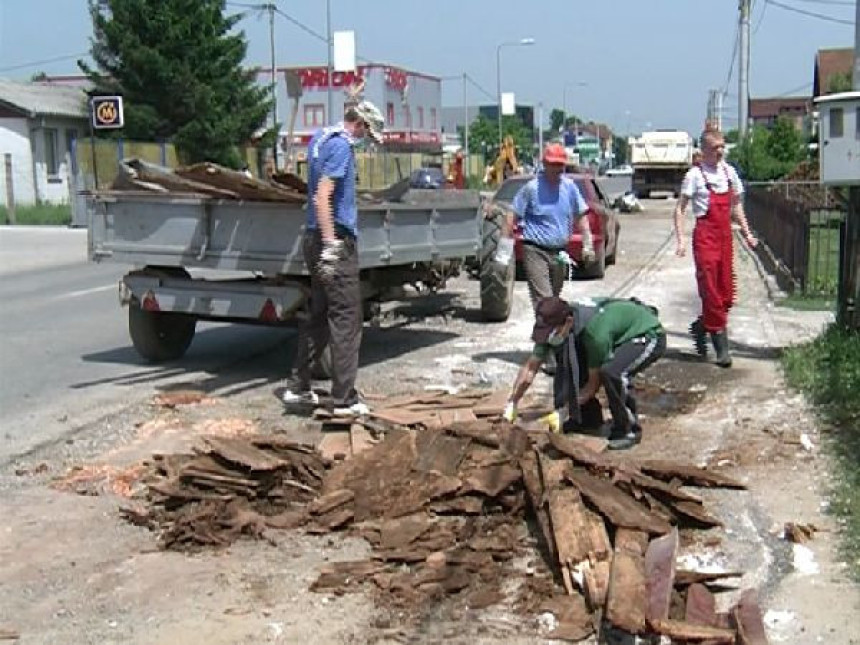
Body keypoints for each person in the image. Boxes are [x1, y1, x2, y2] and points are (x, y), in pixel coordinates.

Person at [281, 100, 385, 416]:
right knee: (347, 318)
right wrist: (332, 244)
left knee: (319, 315)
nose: (367, 140)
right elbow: (323, 195)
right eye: (368, 133)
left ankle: (298, 388)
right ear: (361, 125)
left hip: (313, 237)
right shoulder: (341, 148)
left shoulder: (320, 137)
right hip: (333, 239)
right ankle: (344, 399)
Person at [502, 296, 666, 450]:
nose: (550, 338)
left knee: (612, 372)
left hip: (646, 334)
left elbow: (593, 384)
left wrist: (564, 410)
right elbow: (531, 367)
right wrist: (513, 402)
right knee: (568, 355)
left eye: (553, 333)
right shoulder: (553, 326)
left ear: (568, 322)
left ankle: (629, 429)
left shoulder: (596, 334)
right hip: (608, 332)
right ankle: (587, 419)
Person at [501, 143, 595, 372]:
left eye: (560, 166)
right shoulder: (531, 189)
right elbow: (511, 216)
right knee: (545, 303)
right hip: (535, 250)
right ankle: (549, 354)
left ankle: (549, 343)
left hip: (559, 252)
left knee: (555, 300)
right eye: (553, 165)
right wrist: (503, 253)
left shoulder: (570, 188)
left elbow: (581, 215)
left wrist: (587, 243)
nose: (557, 170)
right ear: (544, 164)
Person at [674, 128, 757, 367]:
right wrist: (680, 240)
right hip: (705, 240)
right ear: (704, 150)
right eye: (714, 147)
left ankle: (702, 326)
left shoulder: (729, 173)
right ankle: (722, 351)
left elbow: (736, 206)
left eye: (722, 146)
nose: (720, 151)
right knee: (711, 293)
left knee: (726, 294)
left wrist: (747, 233)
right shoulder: (695, 176)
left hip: (724, 240)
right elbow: (680, 209)